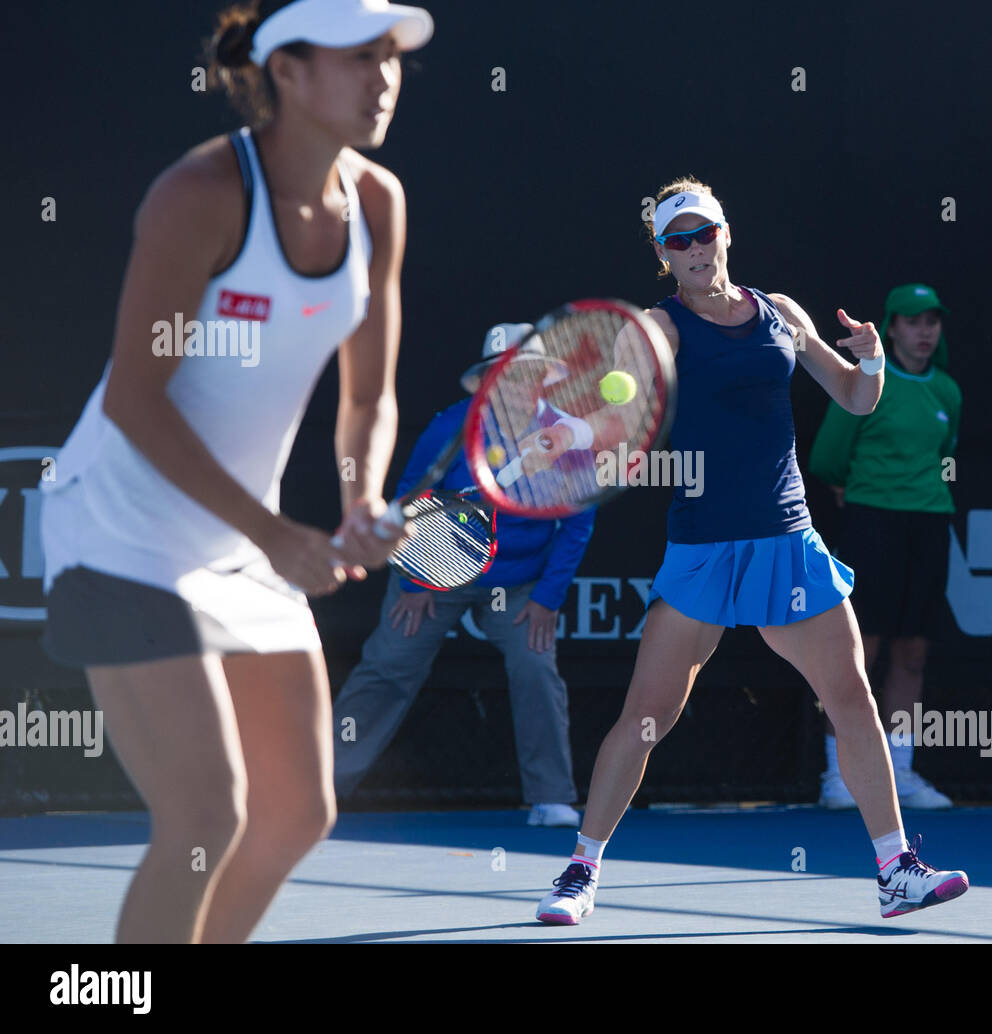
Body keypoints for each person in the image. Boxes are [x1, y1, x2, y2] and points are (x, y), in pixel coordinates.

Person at [38, 0, 434, 942]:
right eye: (355, 57)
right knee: (204, 819)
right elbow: (138, 399)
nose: (382, 76)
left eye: (388, 56)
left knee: (297, 812)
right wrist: (281, 538)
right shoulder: (201, 194)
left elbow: (366, 398)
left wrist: (360, 499)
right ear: (285, 72)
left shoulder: (378, 203)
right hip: (121, 533)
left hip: (243, 542)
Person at [534, 179, 969, 925]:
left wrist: (871, 361)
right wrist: (574, 430)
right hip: (704, 547)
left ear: (726, 232)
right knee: (646, 719)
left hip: (788, 541)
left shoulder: (783, 314)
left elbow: (855, 398)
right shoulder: (659, 326)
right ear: (664, 257)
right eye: (679, 241)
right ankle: (580, 873)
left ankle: (897, 869)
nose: (696, 249)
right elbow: (622, 400)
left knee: (854, 699)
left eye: (704, 233)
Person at [333, 324, 595, 826]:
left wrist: (547, 598)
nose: (515, 386)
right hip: (438, 567)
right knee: (389, 661)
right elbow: (410, 499)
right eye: (504, 376)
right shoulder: (449, 429)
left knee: (536, 665)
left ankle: (551, 797)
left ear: (543, 381)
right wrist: (415, 579)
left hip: (518, 584)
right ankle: (320, 787)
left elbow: (578, 523)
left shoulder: (565, 438)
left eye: (525, 376)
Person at [810, 284, 962, 811]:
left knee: (912, 652)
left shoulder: (946, 391)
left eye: (932, 322)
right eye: (913, 322)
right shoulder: (868, 380)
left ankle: (900, 774)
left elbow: (946, 451)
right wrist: (855, 487)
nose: (924, 332)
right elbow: (829, 455)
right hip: (871, 523)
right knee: (860, 651)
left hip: (929, 524)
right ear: (892, 327)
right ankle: (838, 777)